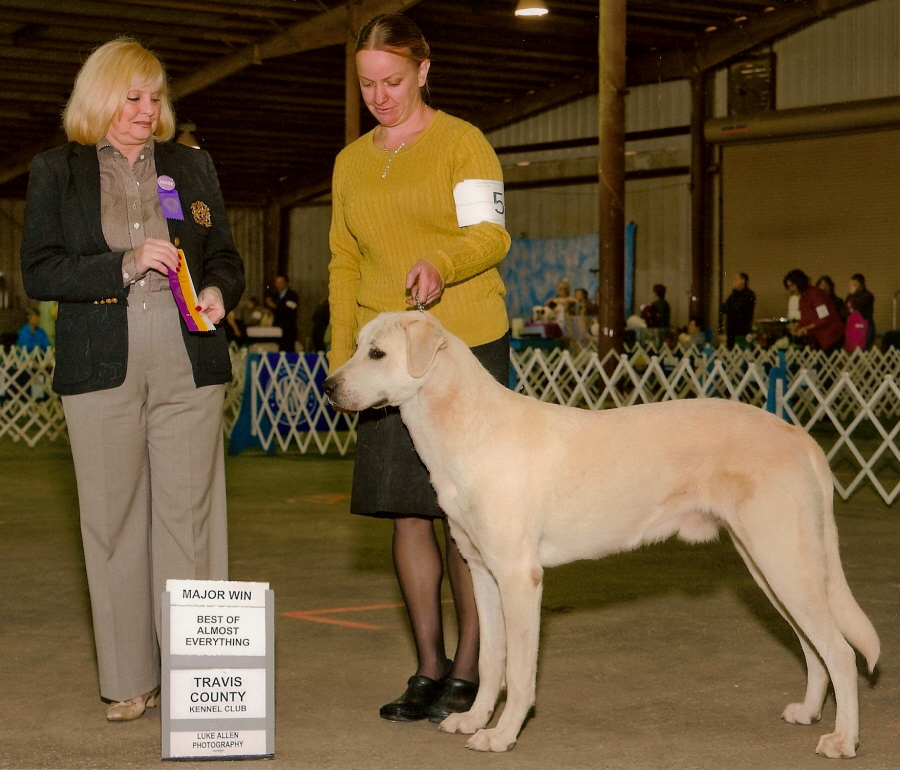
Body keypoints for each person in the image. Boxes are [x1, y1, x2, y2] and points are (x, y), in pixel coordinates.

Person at [19, 38, 244, 722]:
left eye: (155, 98)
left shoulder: (192, 165)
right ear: (99, 97)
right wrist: (121, 263)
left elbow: (228, 257)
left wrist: (217, 293)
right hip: (100, 365)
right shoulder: (55, 171)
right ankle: (128, 681)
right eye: (132, 97)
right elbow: (41, 271)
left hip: (187, 363)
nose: (147, 111)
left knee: (189, 521)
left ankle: (198, 676)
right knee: (113, 523)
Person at [328, 13, 510, 724]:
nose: (380, 95)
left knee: (465, 519)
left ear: (424, 72)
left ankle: (473, 667)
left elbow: (490, 235)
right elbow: (345, 261)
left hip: (460, 347)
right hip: (383, 363)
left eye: (393, 81)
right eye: (368, 83)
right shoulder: (349, 162)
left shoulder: (463, 143)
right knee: (406, 514)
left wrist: (445, 264)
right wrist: (347, 349)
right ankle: (429, 666)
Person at [783, 269, 843, 354]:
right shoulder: (802, 299)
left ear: (799, 283)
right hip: (818, 339)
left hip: (830, 337)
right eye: (788, 287)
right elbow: (804, 319)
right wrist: (797, 329)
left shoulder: (816, 294)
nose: (790, 289)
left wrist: (804, 329)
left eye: (792, 286)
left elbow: (824, 317)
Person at [720, 272, 756, 348]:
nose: (734, 282)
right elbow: (724, 308)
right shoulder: (733, 295)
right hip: (731, 329)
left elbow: (741, 309)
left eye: (736, 279)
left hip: (743, 328)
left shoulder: (749, 295)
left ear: (743, 281)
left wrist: (732, 307)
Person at [846, 273, 875, 349]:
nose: (853, 286)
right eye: (852, 284)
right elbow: (846, 310)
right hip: (853, 327)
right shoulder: (850, 296)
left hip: (865, 327)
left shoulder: (868, 295)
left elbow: (858, 306)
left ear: (861, 284)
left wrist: (853, 294)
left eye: (855, 284)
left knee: (863, 349)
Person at [272, 274, 299, 352]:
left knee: (288, 351)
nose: (278, 285)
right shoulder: (274, 295)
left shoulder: (292, 295)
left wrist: (275, 307)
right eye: (277, 282)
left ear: (286, 283)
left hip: (288, 330)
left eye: (280, 282)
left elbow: (290, 310)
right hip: (277, 328)